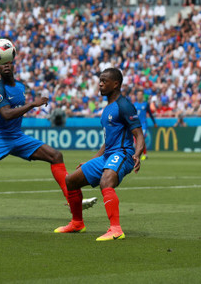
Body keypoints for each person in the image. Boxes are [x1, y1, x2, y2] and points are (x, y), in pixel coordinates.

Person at [0, 61, 97, 228]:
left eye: (9, 63)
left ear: (13, 65)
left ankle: (69, 199)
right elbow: (6, 114)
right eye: (2, 64)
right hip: (0, 137)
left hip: (17, 136)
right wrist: (31, 104)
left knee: (55, 156)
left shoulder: (21, 87)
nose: (6, 66)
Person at [55, 68, 145, 241]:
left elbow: (139, 135)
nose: (101, 84)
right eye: (100, 80)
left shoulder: (124, 105)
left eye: (104, 81)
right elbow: (108, 142)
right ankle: (77, 223)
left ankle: (116, 229)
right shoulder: (107, 109)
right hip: (107, 155)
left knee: (106, 181)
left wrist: (138, 154)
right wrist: (93, 160)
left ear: (116, 84)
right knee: (71, 180)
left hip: (123, 154)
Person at [133, 90, 157, 160]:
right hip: (136, 124)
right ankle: (141, 154)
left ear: (142, 96)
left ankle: (144, 154)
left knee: (141, 138)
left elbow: (150, 114)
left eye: (140, 94)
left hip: (143, 124)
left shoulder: (145, 104)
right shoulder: (134, 104)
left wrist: (154, 123)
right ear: (137, 96)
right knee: (137, 140)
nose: (139, 96)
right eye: (138, 94)